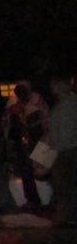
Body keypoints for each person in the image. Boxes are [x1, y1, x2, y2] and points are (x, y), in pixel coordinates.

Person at [45, 72, 77, 226]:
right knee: (65, 188)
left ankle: (65, 221)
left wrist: (46, 156)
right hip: (67, 150)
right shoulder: (68, 103)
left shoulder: (65, 106)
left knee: (63, 188)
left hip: (65, 152)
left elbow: (60, 137)